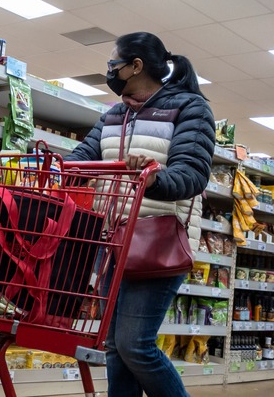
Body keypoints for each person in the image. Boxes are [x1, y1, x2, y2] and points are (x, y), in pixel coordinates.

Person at [65, 32, 215, 396]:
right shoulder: (114, 114)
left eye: (112, 64)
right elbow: (82, 158)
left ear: (136, 66)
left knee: (135, 345)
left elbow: (193, 174)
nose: (109, 71)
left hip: (157, 241)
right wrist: (54, 166)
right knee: (115, 347)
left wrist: (153, 177)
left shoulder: (190, 108)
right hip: (112, 241)